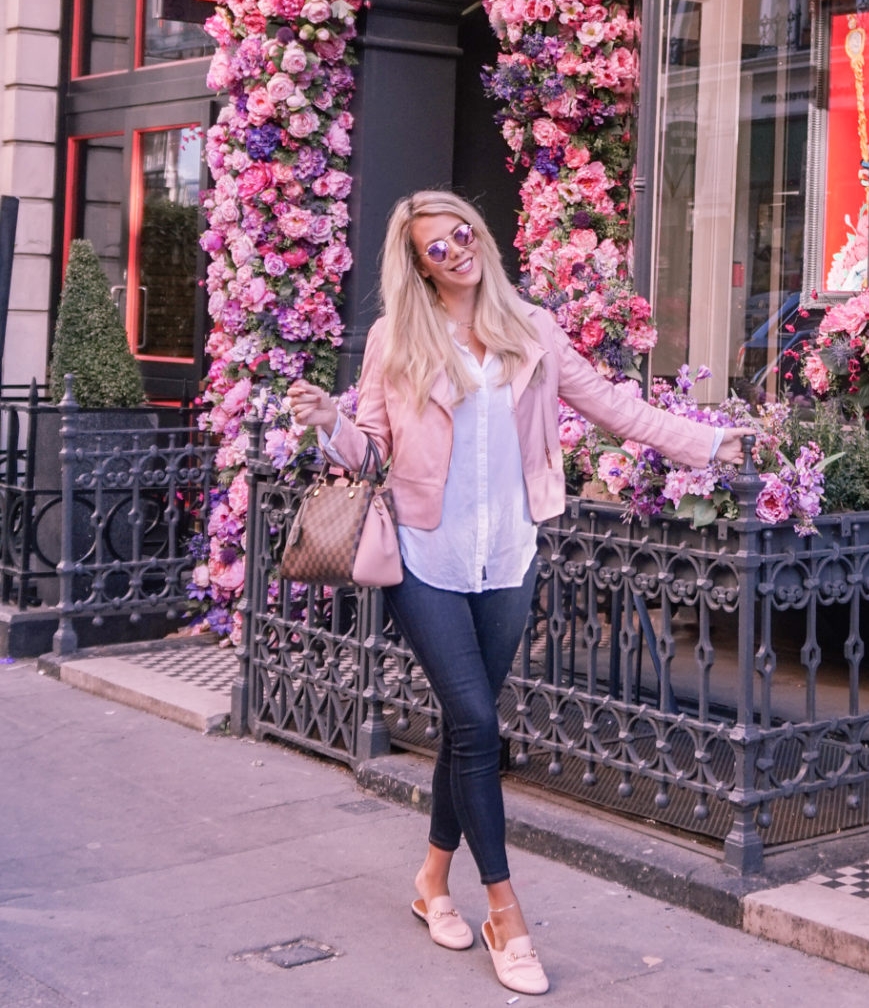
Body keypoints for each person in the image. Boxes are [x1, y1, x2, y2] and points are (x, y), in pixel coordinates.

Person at [288, 190, 751, 997]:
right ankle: (507, 912)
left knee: (467, 735)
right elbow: (368, 457)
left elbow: (613, 406)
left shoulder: (531, 328)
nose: (457, 250)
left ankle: (432, 881)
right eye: (437, 246)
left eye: (463, 232)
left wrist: (710, 444)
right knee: (473, 721)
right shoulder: (395, 339)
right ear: (418, 264)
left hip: (507, 554)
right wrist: (330, 419)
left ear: (481, 235)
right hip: (424, 556)